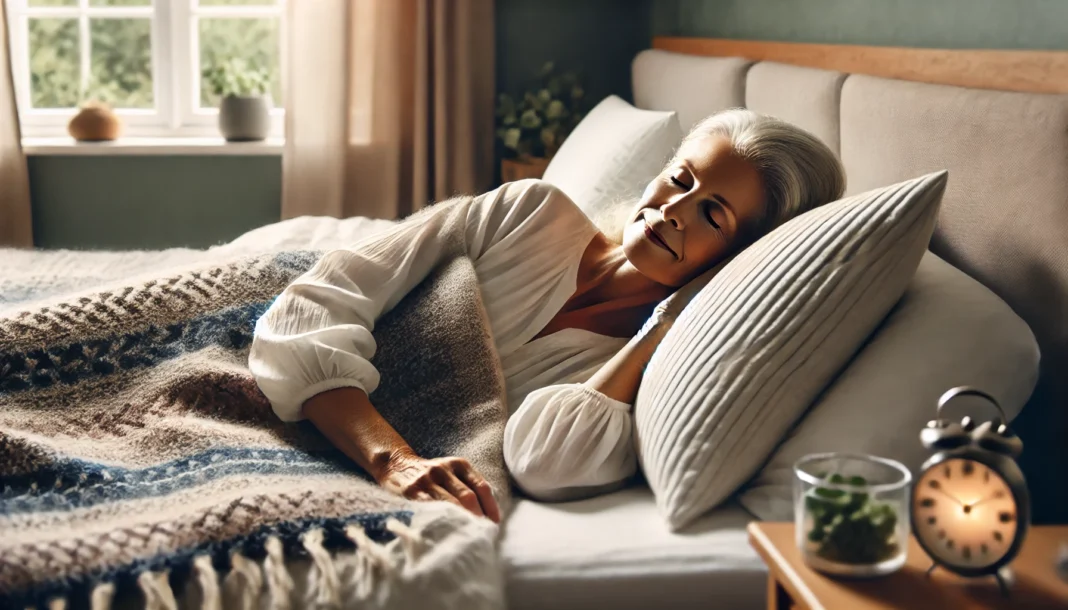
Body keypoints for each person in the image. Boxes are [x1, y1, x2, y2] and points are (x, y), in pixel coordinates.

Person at [249, 109, 846, 524]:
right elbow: (309, 305)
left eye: (714, 215)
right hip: (276, 380)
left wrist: (665, 326)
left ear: (744, 253)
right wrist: (395, 460)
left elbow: (543, 462)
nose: (673, 211)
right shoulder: (529, 210)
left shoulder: (659, 362)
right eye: (680, 178)